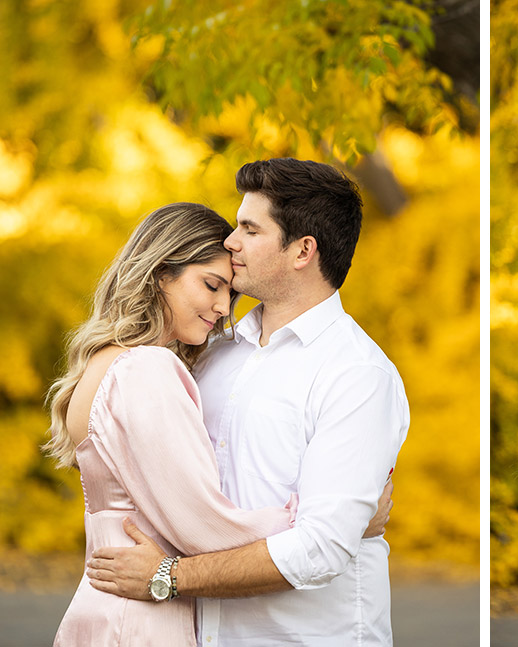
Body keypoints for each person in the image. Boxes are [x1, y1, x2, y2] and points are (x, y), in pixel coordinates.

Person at [85, 158, 410, 646]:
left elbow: (320, 549)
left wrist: (171, 576)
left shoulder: (356, 374)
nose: (230, 242)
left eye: (249, 229)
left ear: (303, 250)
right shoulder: (210, 352)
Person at [44, 203, 298, 646]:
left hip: (107, 608)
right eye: (212, 285)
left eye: (230, 295)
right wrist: (323, 520)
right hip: (141, 617)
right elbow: (205, 524)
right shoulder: (145, 368)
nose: (223, 307)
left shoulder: (106, 362)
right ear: (162, 273)